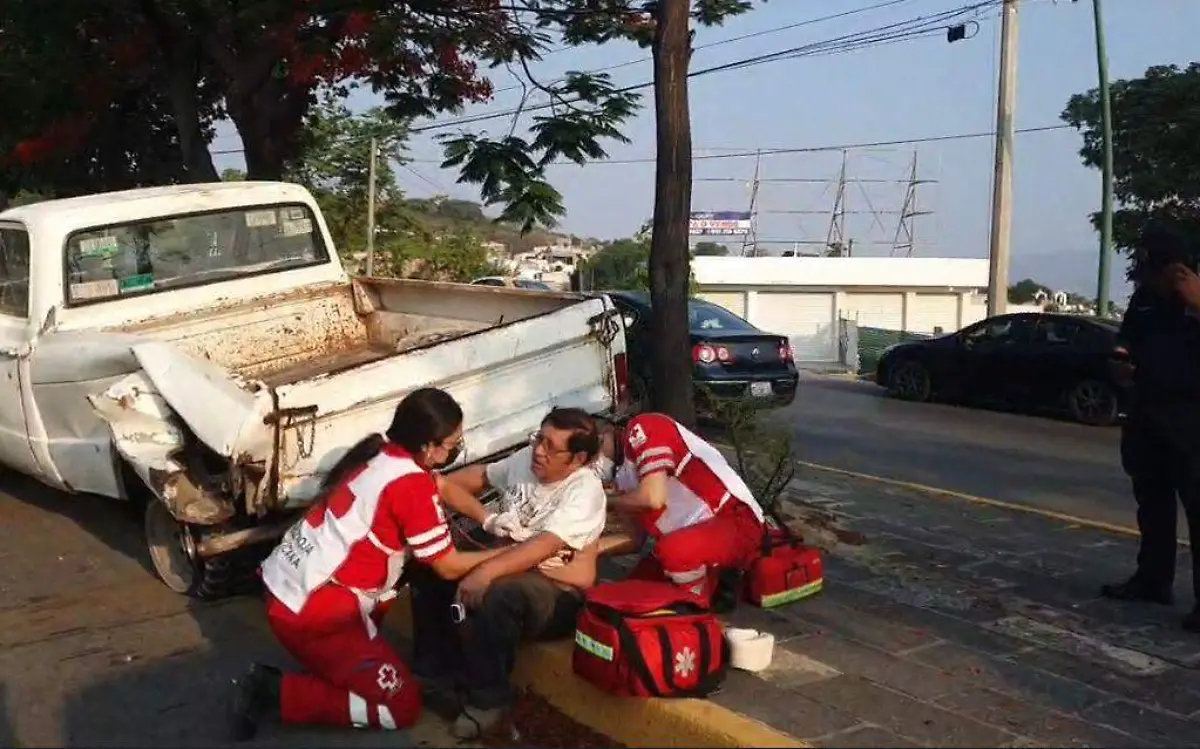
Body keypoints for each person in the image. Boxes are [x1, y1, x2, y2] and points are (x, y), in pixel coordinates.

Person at [227, 387, 505, 740]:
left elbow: (442, 487)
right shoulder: (410, 485)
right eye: (453, 443)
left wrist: (489, 519)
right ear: (428, 446)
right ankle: (275, 690)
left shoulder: (382, 454)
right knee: (400, 707)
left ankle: (343, 668)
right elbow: (447, 566)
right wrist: (505, 552)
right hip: (317, 611)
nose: (456, 449)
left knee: (392, 584)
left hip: (293, 589)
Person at [407, 407, 608, 739]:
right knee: (430, 565)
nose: (539, 451)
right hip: (509, 556)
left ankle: (489, 700)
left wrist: (485, 572)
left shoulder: (584, 491)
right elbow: (481, 477)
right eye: (538, 439)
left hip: (556, 588)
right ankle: (433, 673)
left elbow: (543, 546)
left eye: (551, 446)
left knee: (499, 595)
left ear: (578, 458)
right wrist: (425, 490)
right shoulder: (527, 460)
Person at [1101, 220, 1200, 632]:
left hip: (1192, 419)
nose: (1151, 282)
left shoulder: (1194, 300)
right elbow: (1126, 339)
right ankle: (1152, 580)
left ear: (1177, 269)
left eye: (1156, 273)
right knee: (1152, 503)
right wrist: (1120, 361)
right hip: (1147, 412)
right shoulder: (1144, 300)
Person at [602, 411, 765, 609]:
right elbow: (635, 539)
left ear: (607, 429)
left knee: (673, 552)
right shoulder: (622, 476)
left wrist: (605, 501)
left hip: (734, 520)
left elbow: (653, 499)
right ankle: (716, 580)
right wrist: (584, 552)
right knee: (629, 593)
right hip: (692, 533)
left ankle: (696, 609)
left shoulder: (644, 428)